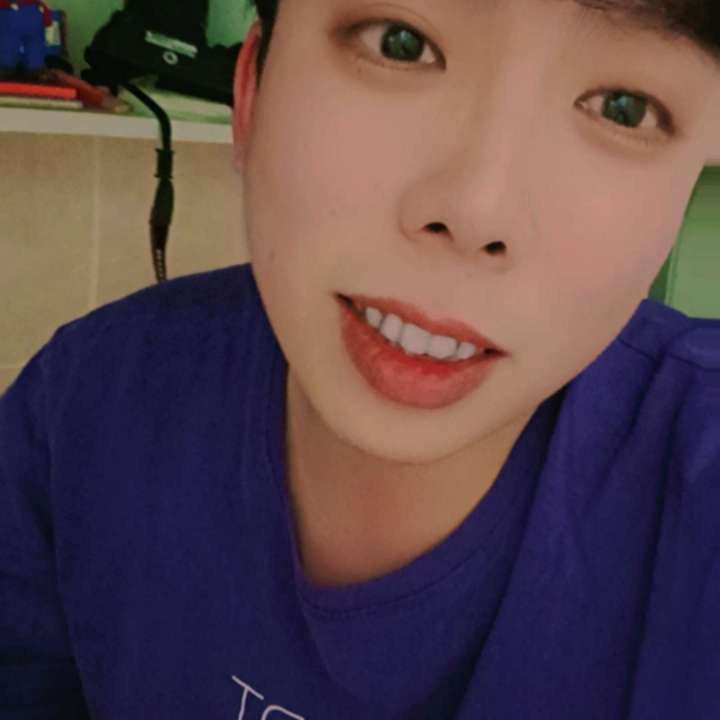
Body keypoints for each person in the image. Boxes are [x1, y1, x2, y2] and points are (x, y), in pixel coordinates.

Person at [2, 0, 720, 717]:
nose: (477, 211)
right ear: (251, 95)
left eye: (625, 110)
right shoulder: (81, 414)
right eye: (400, 43)